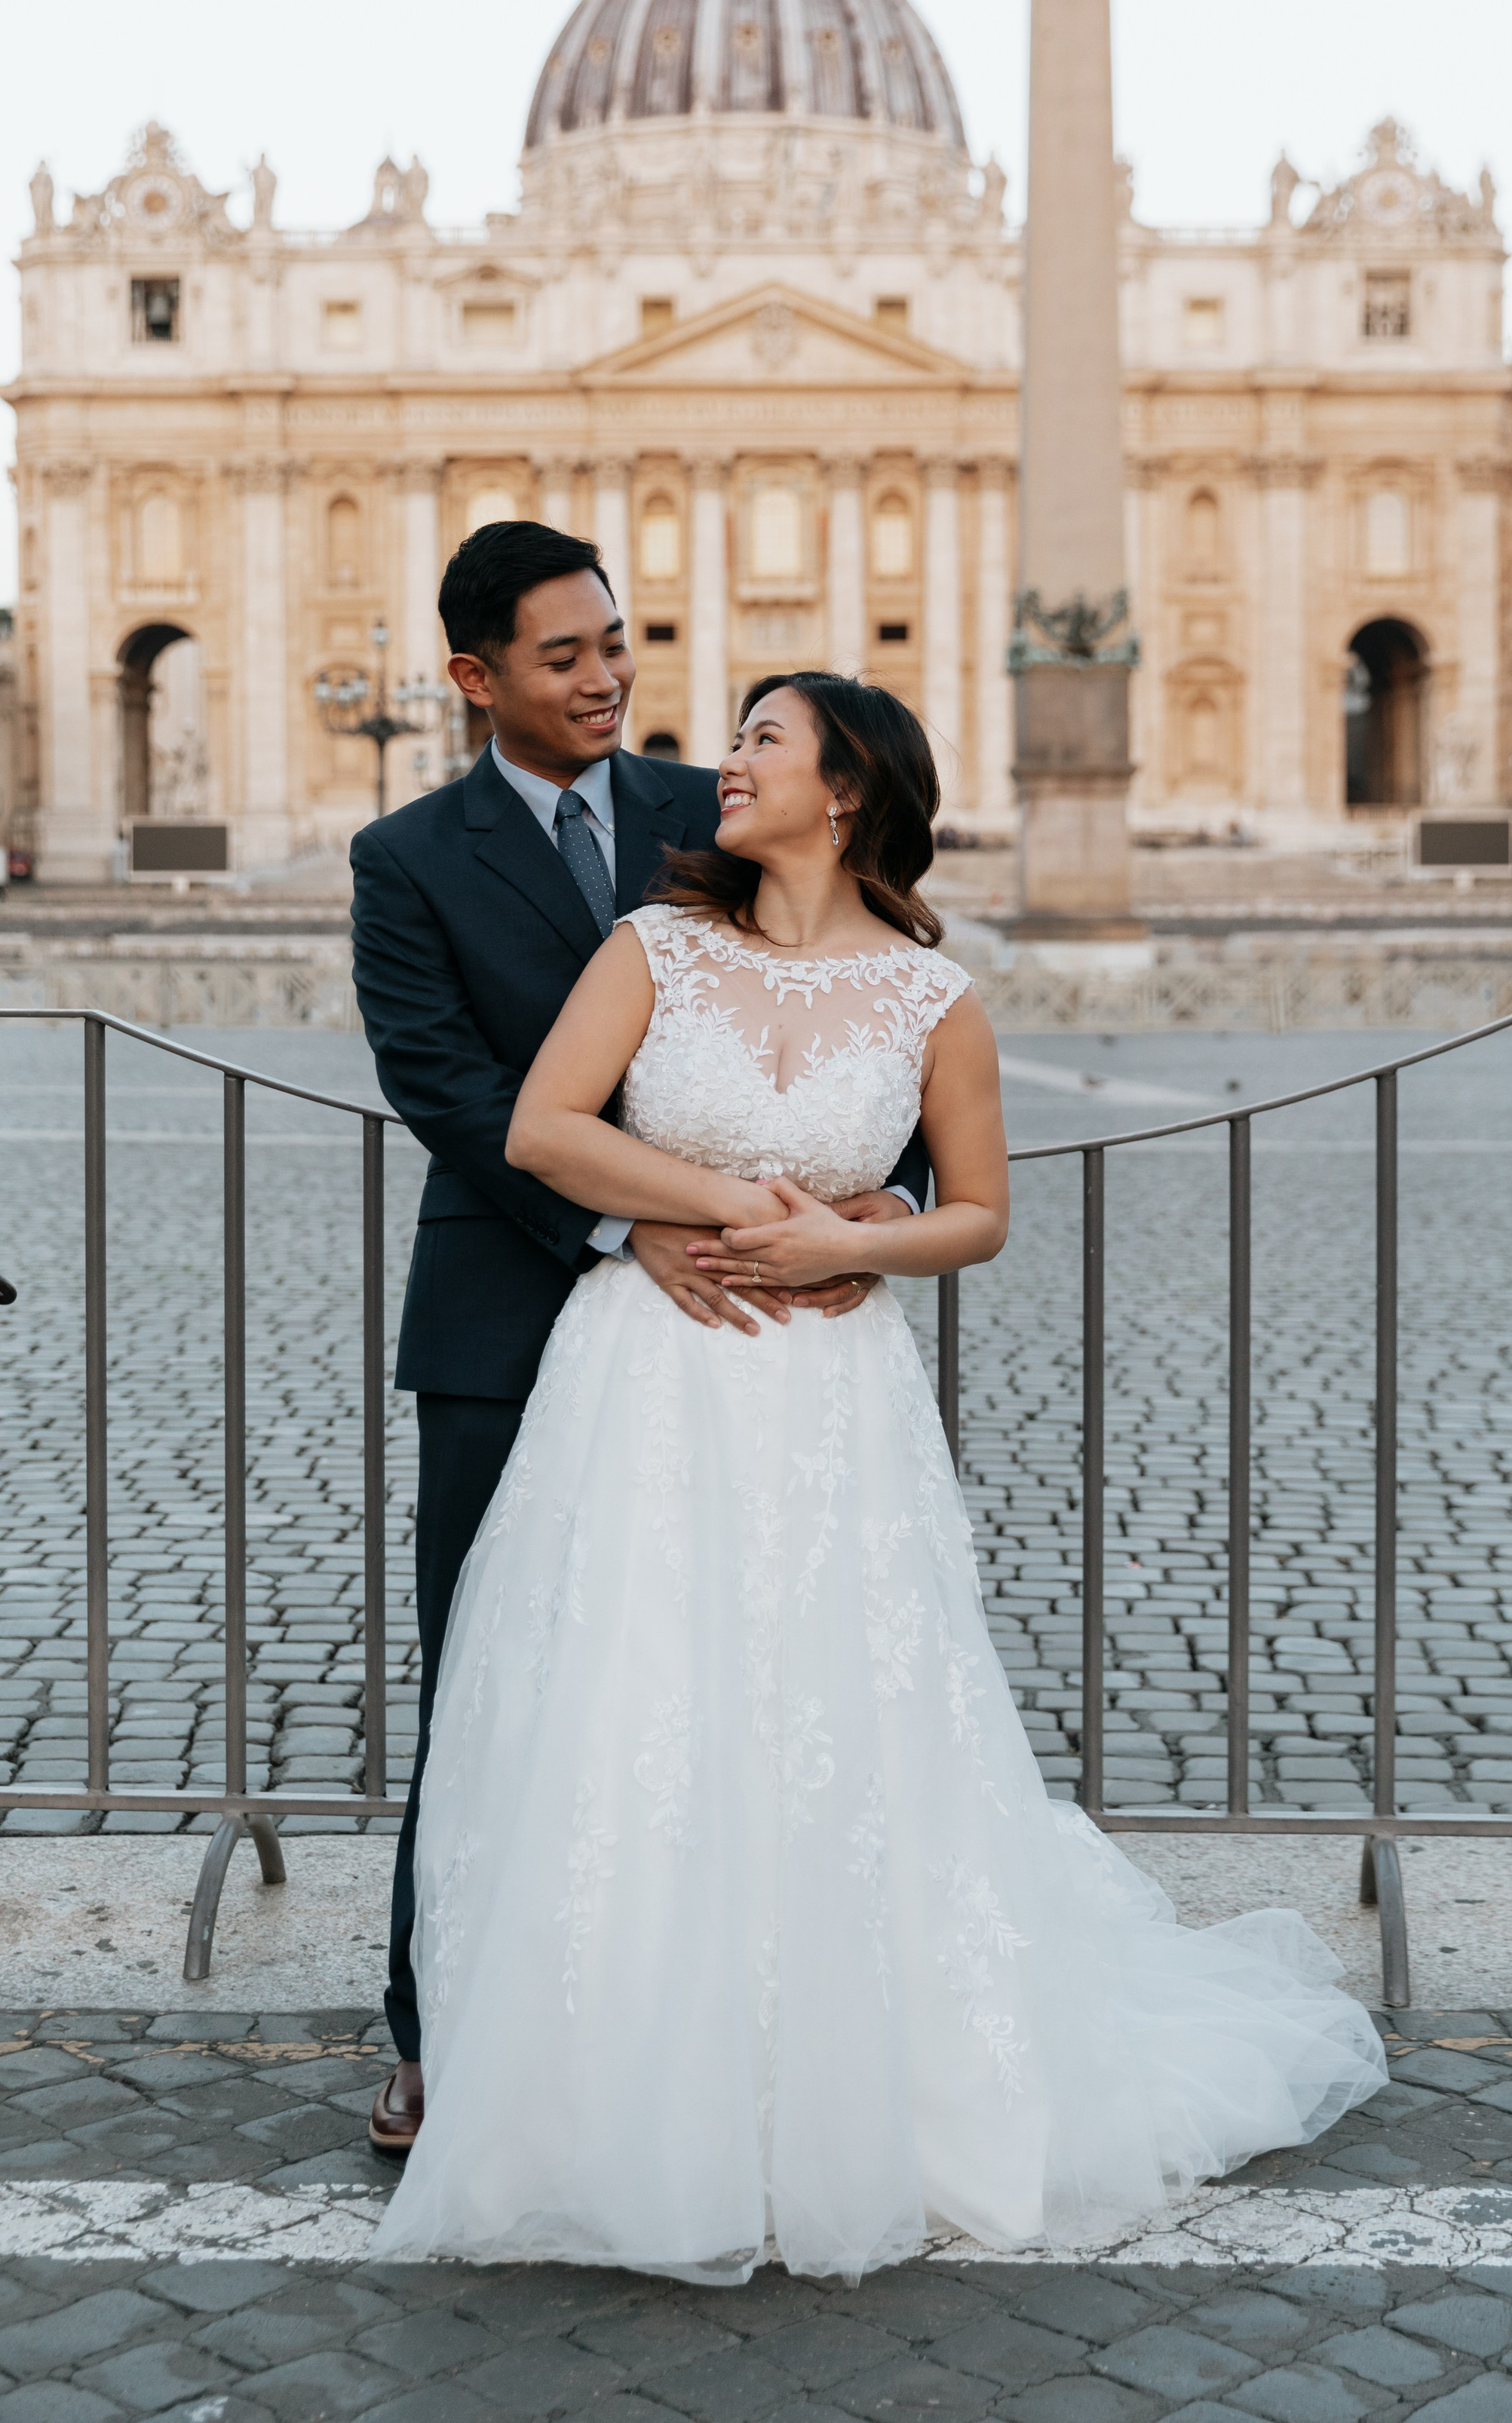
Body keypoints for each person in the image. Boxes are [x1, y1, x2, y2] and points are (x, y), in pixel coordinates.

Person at [373, 668, 1387, 2282]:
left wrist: (858, 1244)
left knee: (838, 1708)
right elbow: (546, 1130)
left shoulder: (931, 996)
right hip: (648, 1377)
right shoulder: (653, 946)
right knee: (640, 1704)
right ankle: (614, 2082)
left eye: (762, 739)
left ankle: (849, 2078)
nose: (725, 760)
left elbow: (976, 1211)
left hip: (828, 1398)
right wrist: (734, 1211)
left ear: (845, 790)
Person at [349, 525, 928, 2151]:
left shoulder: (721, 799)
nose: (606, 677)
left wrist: (887, 1200)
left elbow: (869, 996)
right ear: (472, 678)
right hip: (510, 1304)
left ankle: (713, 2018)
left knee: (733, 1675)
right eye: (563, 657)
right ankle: (435, 2026)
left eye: (615, 642)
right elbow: (448, 1088)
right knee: (488, 1673)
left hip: (744, 1325)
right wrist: (626, 1227)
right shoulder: (404, 856)